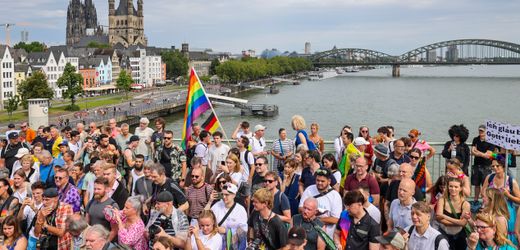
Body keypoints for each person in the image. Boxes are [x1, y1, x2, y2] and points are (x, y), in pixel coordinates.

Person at [482, 155, 520, 245]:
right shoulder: (490, 178)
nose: (495, 168)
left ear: (503, 166)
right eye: (493, 166)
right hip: (491, 209)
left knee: (504, 235)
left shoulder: (511, 181)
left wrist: (508, 195)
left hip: (506, 210)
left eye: (497, 165)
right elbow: (483, 192)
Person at [299, 168, 342, 237]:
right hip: (307, 233)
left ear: (329, 181)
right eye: (317, 180)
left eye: (322, 181)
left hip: (325, 235)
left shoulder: (335, 196)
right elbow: (300, 208)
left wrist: (315, 219)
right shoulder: (309, 189)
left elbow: (336, 219)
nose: (319, 183)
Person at [435, 177, 470, 249]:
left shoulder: (465, 204)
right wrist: (457, 223)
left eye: (456, 187)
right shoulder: (442, 200)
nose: (453, 189)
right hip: (444, 233)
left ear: (460, 188)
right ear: (447, 187)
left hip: (459, 236)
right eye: (451, 186)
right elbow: (438, 217)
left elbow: (463, 223)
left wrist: (444, 217)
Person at [210, 183, 248, 250]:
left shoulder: (240, 210)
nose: (224, 197)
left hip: (233, 245)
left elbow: (244, 231)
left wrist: (226, 231)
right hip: (217, 243)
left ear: (234, 195)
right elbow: (205, 218)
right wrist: (210, 201)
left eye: (227, 195)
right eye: (222, 194)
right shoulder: (217, 206)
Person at [86, 177, 119, 242]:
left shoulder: (112, 205)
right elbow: (87, 224)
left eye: (99, 189)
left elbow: (114, 230)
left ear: (107, 189)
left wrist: (104, 244)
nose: (96, 191)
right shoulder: (91, 202)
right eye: (95, 189)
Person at [471, 125, 496, 207]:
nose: (480, 132)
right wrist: (482, 153)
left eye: (482, 131)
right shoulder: (475, 139)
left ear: (486, 132)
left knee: (485, 185)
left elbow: (488, 156)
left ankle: (484, 202)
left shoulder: (491, 141)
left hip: (487, 166)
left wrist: (478, 152)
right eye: (479, 130)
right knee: (476, 184)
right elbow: (472, 151)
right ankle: (475, 200)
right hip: (476, 164)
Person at [17, 181, 44, 249]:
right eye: (33, 193)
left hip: (42, 238)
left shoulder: (47, 204)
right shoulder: (30, 203)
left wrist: (34, 208)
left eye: (38, 193)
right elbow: (19, 219)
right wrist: (22, 207)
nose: (35, 195)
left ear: (44, 193)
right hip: (30, 237)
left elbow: (44, 219)